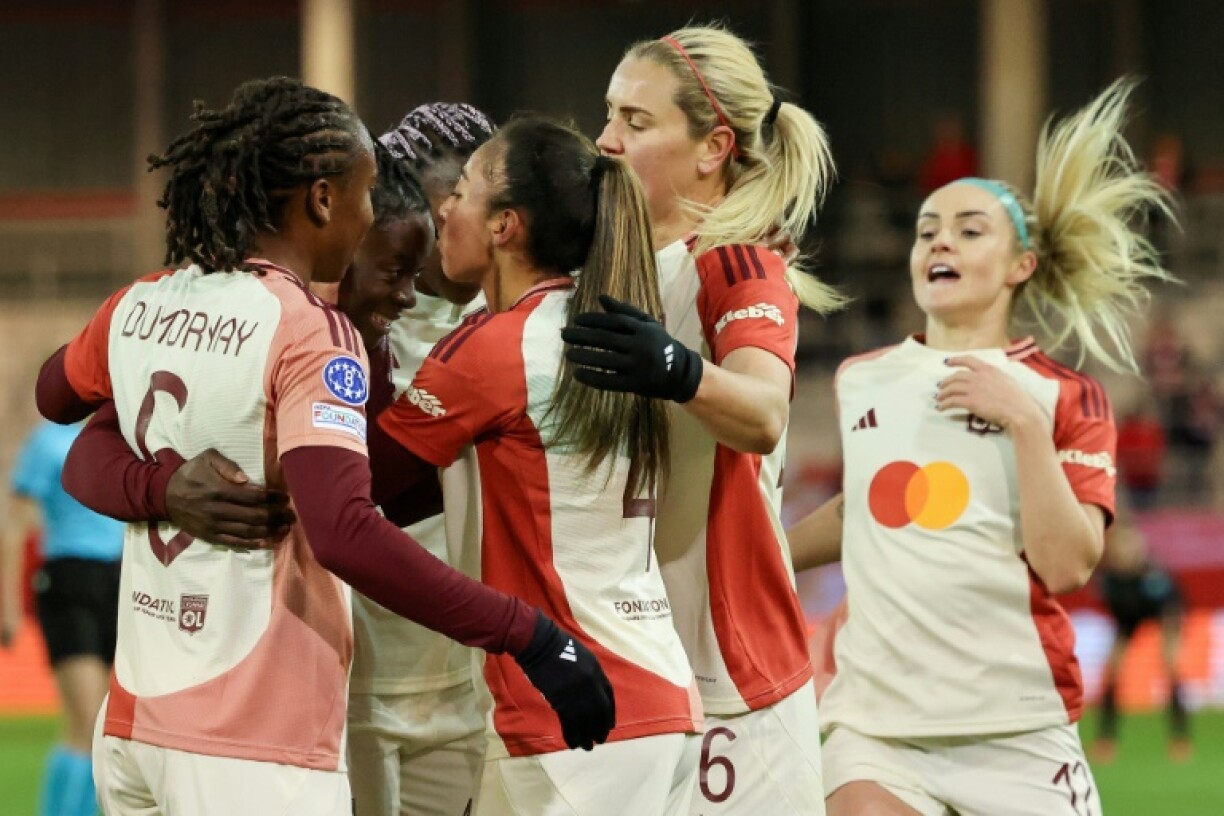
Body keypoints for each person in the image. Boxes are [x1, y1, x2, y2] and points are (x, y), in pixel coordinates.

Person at [34, 77, 613, 815]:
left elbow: (60, 401)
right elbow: (344, 527)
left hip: (148, 713)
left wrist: (159, 480)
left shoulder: (144, 300)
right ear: (324, 201)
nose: (418, 234)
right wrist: (525, 632)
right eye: (373, 197)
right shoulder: (312, 329)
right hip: (260, 726)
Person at [787, 79, 1175, 815]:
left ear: (1021, 265)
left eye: (969, 231)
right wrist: (763, 558)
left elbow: (1067, 565)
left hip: (1018, 727)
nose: (939, 241)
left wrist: (1024, 423)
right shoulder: (861, 379)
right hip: (877, 728)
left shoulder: (1064, 396)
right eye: (927, 229)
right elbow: (866, 506)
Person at [376, 115, 701, 816]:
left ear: (505, 226)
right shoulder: (608, 327)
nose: (443, 211)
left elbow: (365, 488)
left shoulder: (495, 347)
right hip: (652, 696)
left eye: (462, 191)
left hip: (572, 712)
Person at [565, 24, 837, 814]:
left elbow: (763, 412)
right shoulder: (595, 267)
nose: (606, 140)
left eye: (636, 121)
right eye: (609, 114)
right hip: (620, 668)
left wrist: (676, 368)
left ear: (714, 147)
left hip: (728, 682)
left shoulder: (739, 262)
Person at [1, 420, 123, 816]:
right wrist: (9, 607)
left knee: (102, 726)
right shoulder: (48, 442)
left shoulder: (118, 436)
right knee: (84, 720)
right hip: (69, 579)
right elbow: (16, 525)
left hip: (117, 581)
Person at [1094, 513, 1190, 762]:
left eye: (1131, 545)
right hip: (1129, 618)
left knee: (1171, 665)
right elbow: (1115, 611)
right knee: (1113, 669)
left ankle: (1180, 738)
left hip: (1162, 614)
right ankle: (1106, 739)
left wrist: (1171, 636)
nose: (1126, 551)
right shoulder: (1107, 578)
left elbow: (1172, 604)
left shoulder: (1153, 574)